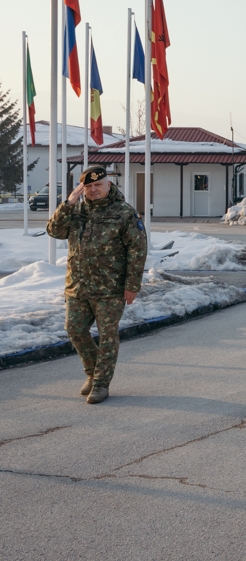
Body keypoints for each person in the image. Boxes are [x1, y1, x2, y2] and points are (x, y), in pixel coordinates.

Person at [45, 165, 147, 404]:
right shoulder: (76, 210)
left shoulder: (124, 213)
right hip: (78, 285)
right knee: (75, 330)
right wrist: (68, 204)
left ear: (108, 185)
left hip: (110, 288)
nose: (93, 190)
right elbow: (54, 231)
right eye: (88, 187)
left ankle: (101, 383)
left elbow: (137, 250)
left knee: (108, 335)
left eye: (97, 185)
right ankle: (92, 373)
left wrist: (132, 285)